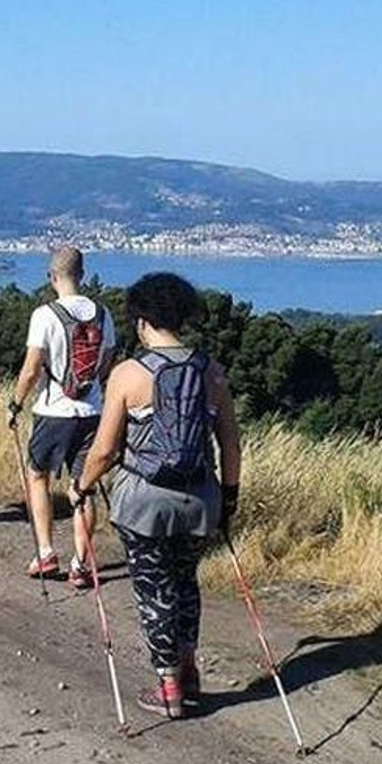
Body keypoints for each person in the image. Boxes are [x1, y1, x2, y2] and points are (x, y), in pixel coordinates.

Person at [69, 272, 242, 719]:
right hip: (201, 499)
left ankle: (167, 687)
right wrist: (230, 498)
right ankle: (188, 671)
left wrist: (81, 485)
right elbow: (230, 445)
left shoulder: (129, 374)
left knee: (153, 589)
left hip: (143, 501)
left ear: (142, 321)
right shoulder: (212, 372)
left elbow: (105, 450)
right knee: (186, 582)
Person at [7, 246, 116, 586]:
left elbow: (30, 369)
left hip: (53, 411)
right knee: (84, 487)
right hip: (93, 411)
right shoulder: (103, 314)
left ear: (52, 277)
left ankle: (45, 553)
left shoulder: (44, 315)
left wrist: (15, 403)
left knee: (37, 477)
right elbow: (108, 360)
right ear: (82, 274)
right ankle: (82, 564)